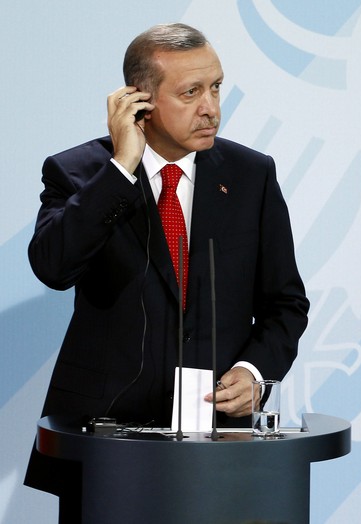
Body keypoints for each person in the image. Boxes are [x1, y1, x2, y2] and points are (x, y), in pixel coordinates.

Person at [24, 23, 309, 521]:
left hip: (220, 443)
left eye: (216, 87)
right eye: (191, 92)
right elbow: (53, 266)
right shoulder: (80, 174)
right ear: (139, 101)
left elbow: (285, 304)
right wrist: (121, 168)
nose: (212, 108)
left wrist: (254, 372)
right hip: (107, 445)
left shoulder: (251, 175)